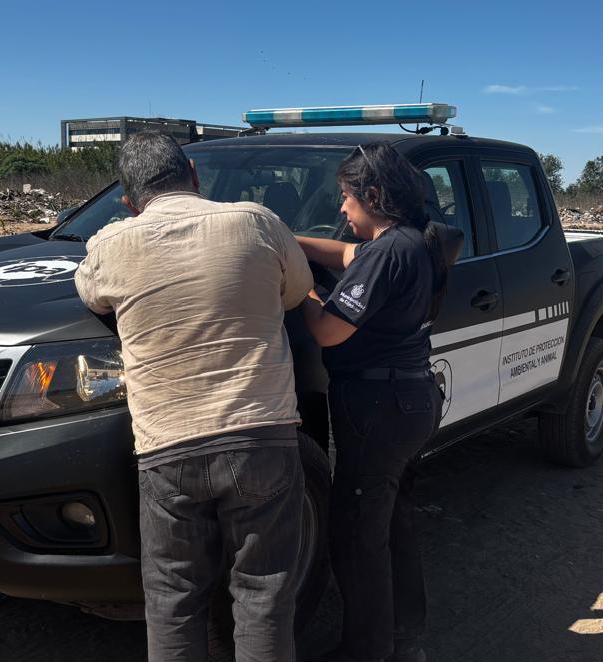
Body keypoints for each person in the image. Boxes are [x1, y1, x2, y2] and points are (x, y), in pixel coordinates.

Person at [75, 131, 314, 662]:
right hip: (261, 437)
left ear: (128, 200)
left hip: (167, 448)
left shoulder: (110, 245)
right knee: (264, 593)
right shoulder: (257, 221)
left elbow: (90, 294)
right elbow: (295, 291)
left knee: (173, 600)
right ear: (194, 176)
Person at [297, 143, 461, 662]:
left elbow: (327, 331)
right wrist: (288, 239)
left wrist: (300, 287)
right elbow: (345, 255)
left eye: (345, 197)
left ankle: (367, 651)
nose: (341, 208)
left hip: (378, 407)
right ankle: (405, 637)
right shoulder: (413, 242)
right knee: (391, 522)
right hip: (408, 399)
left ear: (372, 195)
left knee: (356, 535)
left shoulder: (388, 252)